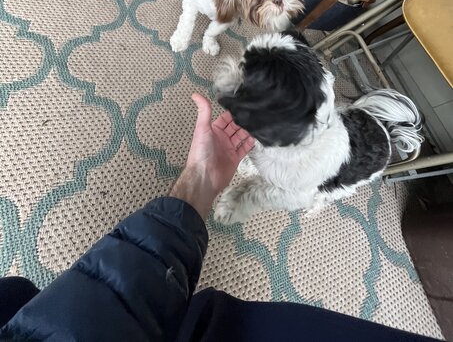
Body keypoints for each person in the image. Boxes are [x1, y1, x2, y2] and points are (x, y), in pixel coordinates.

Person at [0, 95, 437, 341]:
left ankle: (322, 185)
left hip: (334, 172)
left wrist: (203, 182)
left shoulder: (317, 169)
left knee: (310, 191)